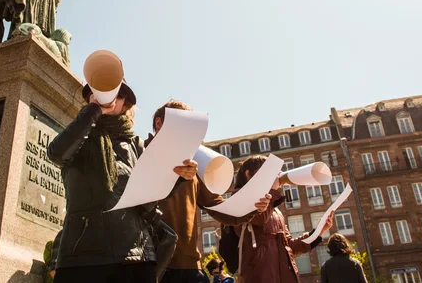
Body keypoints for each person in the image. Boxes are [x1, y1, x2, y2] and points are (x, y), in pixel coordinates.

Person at [47, 82, 198, 283]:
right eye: (97, 90)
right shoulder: (78, 136)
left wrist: (180, 176)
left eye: (116, 94)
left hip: (134, 258)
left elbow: (150, 197)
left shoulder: (136, 146)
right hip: (81, 258)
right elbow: (57, 153)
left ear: (125, 103)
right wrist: (94, 111)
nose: (107, 96)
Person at [150, 100, 272, 283]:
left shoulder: (194, 166)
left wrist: (252, 206)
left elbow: (217, 206)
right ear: (159, 124)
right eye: (182, 124)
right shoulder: (138, 153)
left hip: (190, 266)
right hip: (151, 264)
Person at [233, 155, 334, 283]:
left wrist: (318, 231)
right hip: (259, 276)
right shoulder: (239, 197)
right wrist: (273, 190)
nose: (270, 176)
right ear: (248, 174)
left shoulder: (275, 210)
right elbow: (260, 218)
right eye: (266, 172)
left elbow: (289, 246)